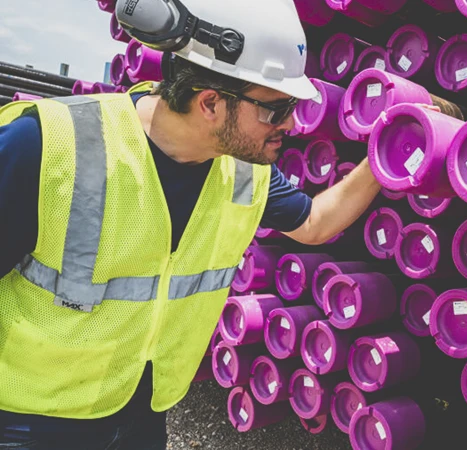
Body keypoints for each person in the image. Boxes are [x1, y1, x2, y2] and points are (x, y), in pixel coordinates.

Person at [0, 0, 380, 448]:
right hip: (31, 421)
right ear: (210, 103)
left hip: (142, 413)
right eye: (276, 109)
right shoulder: (49, 145)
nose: (292, 123)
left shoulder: (242, 171)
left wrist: (386, 148)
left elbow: (314, 223)